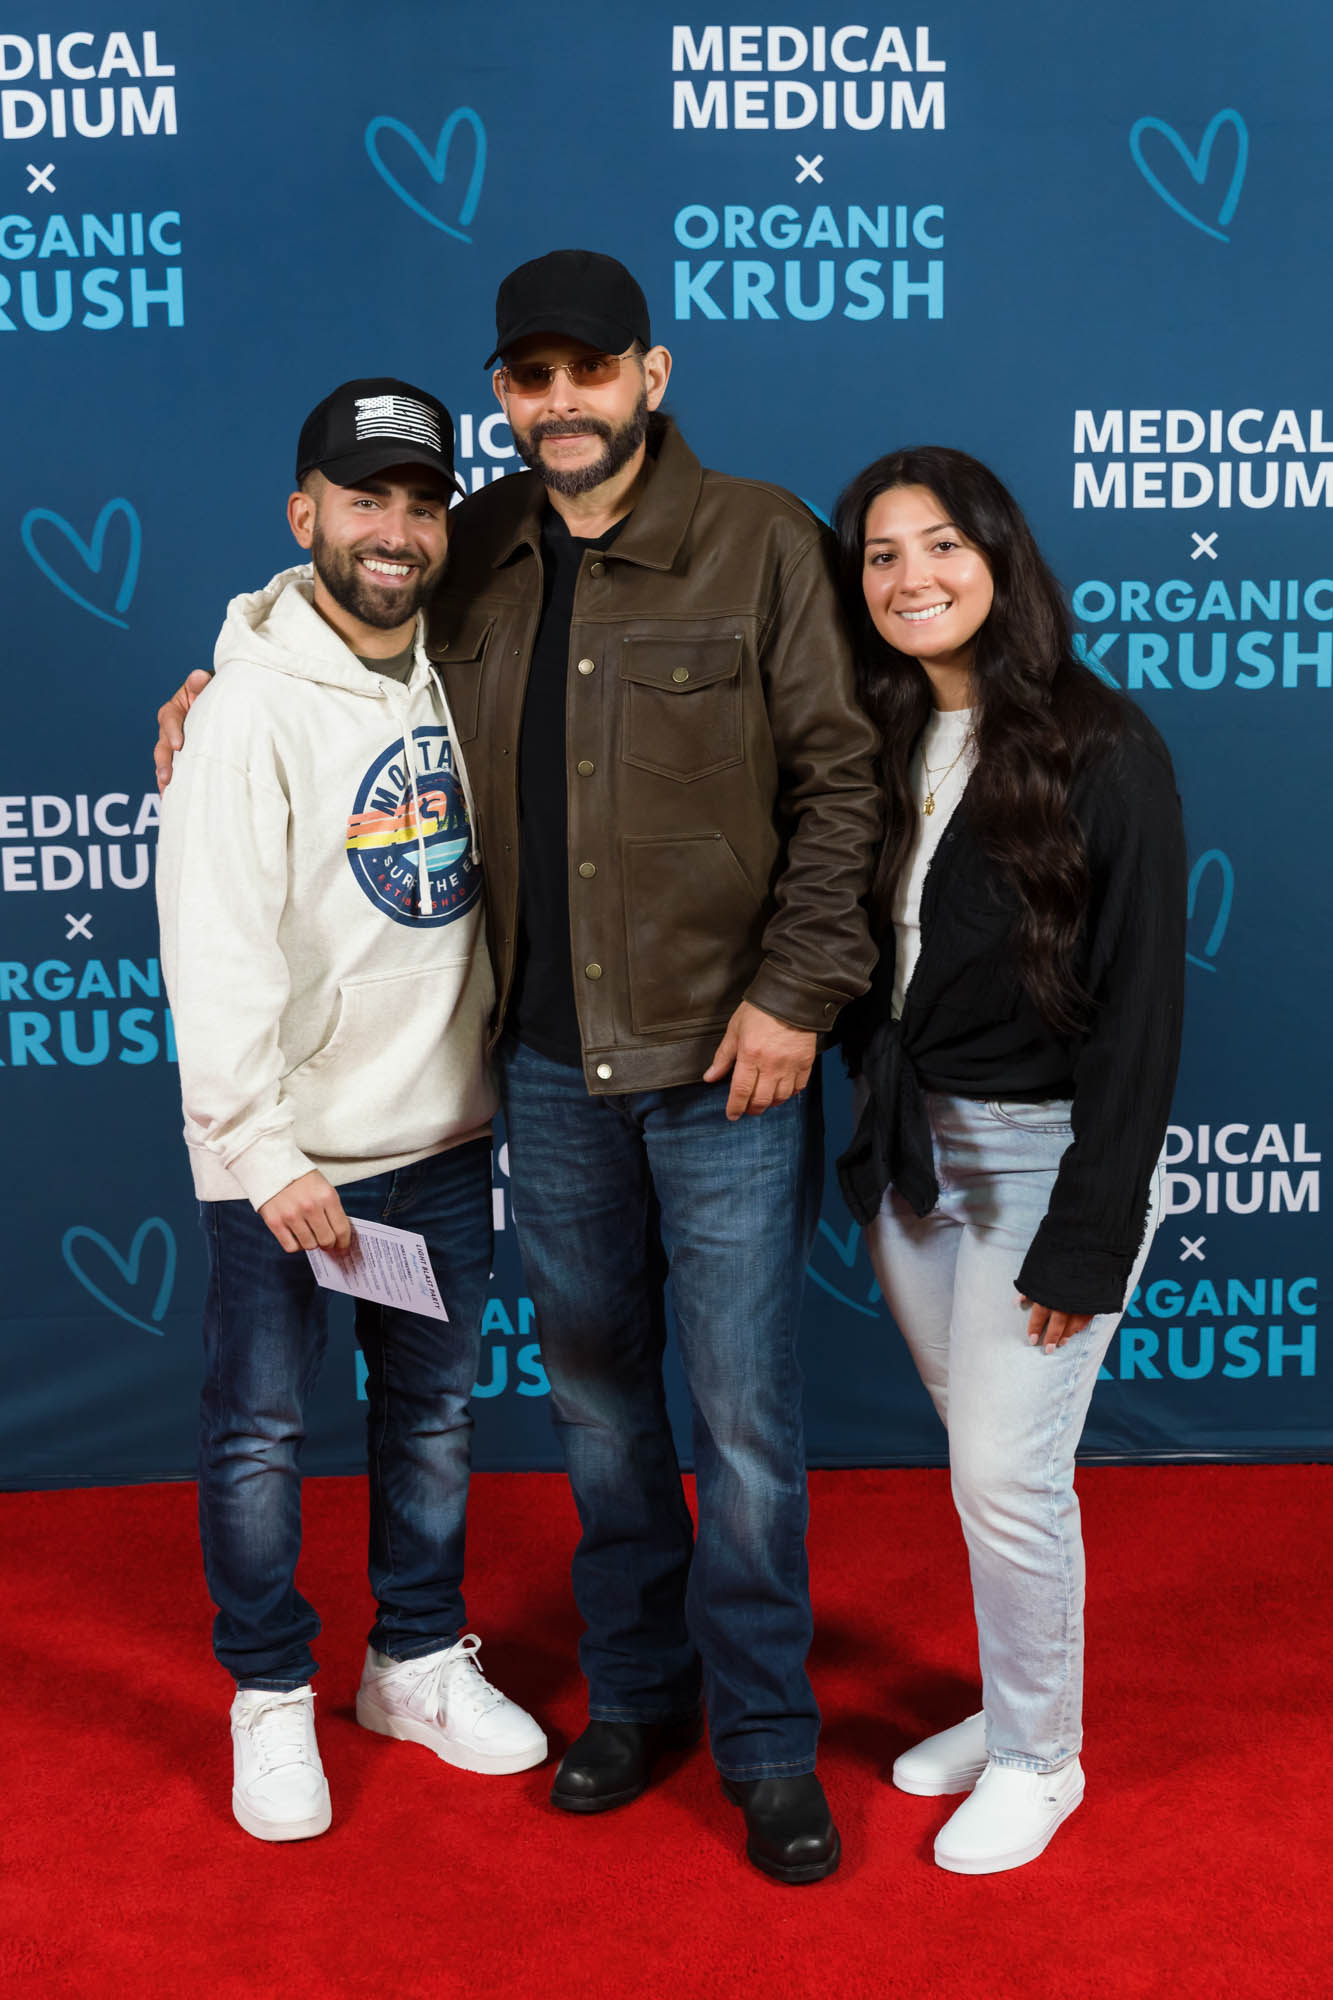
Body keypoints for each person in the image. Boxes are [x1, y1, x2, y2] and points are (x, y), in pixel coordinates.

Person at [157, 253, 881, 1883]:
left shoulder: (762, 539)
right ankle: (633, 1696)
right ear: (504, 395)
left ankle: (766, 1741)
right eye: (530, 377)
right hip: (544, 1075)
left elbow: (845, 782)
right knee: (600, 1413)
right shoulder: (473, 544)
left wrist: (796, 994)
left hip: (725, 1067)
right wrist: (213, 694)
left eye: (588, 371)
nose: (560, 402)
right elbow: (332, 613)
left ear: (650, 376)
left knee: (743, 1424)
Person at [156, 378, 547, 1845]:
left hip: (438, 1141)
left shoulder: (465, 667)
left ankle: (413, 1661)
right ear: (303, 513)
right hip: (289, 1158)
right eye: (363, 498)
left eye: (421, 502)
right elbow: (212, 949)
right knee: (261, 1430)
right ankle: (268, 1690)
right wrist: (264, 1155)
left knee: (432, 1414)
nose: (395, 530)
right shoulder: (246, 710)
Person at [833, 446, 1185, 1875]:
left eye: (941, 546)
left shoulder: (1104, 745)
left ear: (999, 556)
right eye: (880, 554)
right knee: (990, 1471)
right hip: (913, 1161)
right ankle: (1009, 1708)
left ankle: (1043, 1757)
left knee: (1004, 1477)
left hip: (1047, 1168)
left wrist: (1090, 1230)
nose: (911, 576)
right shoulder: (873, 730)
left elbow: (1143, 1005)